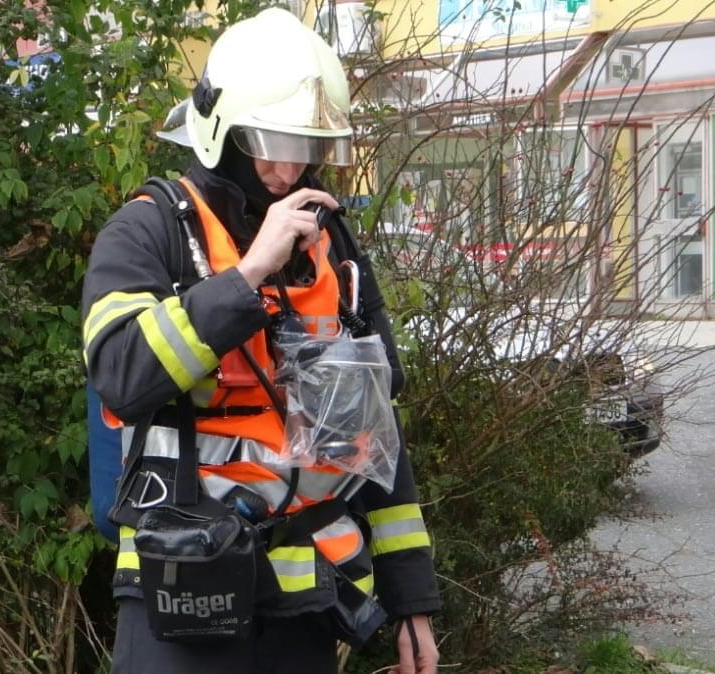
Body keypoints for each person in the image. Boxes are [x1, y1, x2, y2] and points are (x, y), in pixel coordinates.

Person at [81, 8, 440, 674]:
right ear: (222, 130)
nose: (287, 167)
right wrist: (246, 277)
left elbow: (374, 429)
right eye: (270, 140)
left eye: (306, 144)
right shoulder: (147, 232)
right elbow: (122, 374)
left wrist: (411, 597)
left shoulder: (331, 245)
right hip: (178, 592)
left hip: (303, 602)